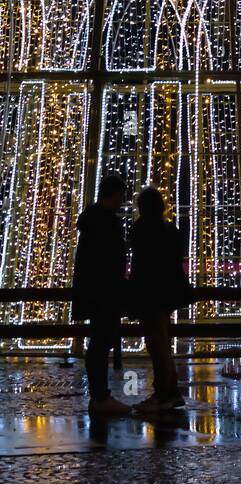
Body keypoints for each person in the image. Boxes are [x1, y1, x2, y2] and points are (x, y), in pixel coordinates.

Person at [72, 172, 129, 416]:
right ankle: (100, 396)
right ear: (114, 195)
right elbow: (111, 258)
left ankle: (99, 395)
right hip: (105, 292)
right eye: (121, 196)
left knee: (98, 342)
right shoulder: (106, 223)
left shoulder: (92, 221)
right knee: (101, 342)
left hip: (94, 291)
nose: (123, 201)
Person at [129, 187, 191, 412]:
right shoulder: (169, 229)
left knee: (156, 343)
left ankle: (164, 393)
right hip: (168, 293)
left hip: (150, 294)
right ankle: (169, 390)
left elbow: (139, 265)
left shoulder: (141, 230)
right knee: (162, 341)